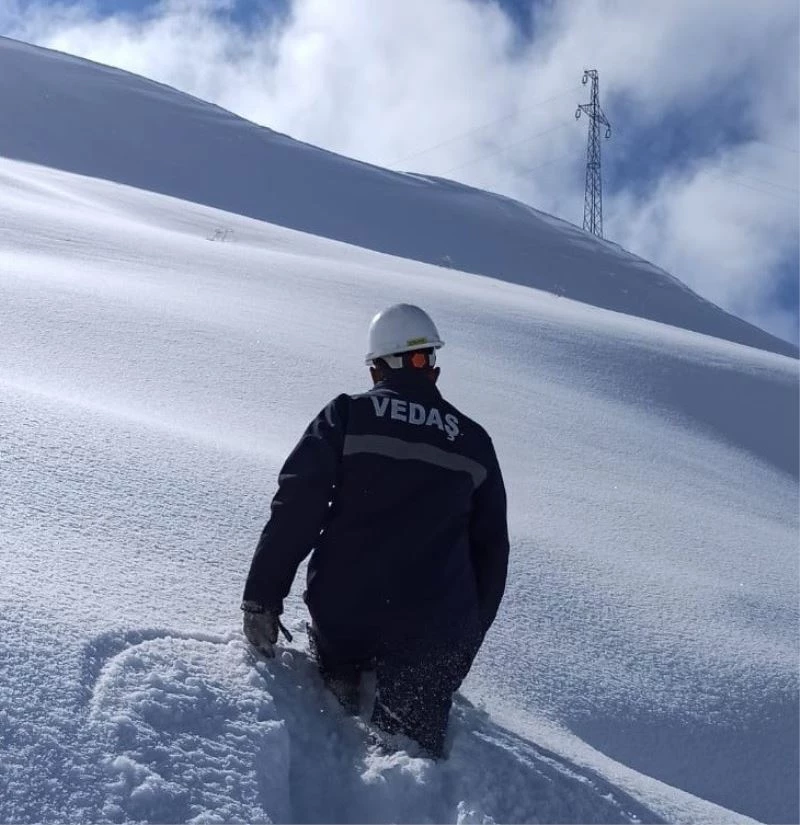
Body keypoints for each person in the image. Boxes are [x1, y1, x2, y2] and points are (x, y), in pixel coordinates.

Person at [241, 303, 509, 758]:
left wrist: (261, 597)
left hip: (345, 613)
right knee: (410, 755)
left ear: (377, 368)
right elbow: (492, 552)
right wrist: (460, 647)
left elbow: (297, 508)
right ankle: (406, 747)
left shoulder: (347, 416)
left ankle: (340, 687)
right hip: (433, 630)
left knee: (343, 662)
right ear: (431, 368)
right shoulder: (474, 442)